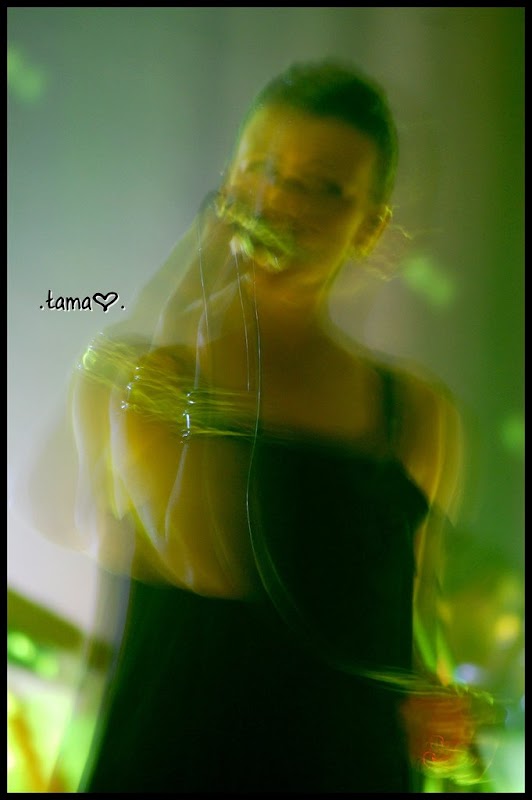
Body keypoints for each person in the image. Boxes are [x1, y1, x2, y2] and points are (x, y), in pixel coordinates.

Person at [21, 59, 497, 792]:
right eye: (263, 170)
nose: (280, 202)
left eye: (323, 188)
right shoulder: (134, 375)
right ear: (228, 183)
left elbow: (409, 617)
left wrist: (437, 704)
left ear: (369, 226)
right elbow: (202, 558)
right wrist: (202, 298)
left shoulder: (414, 413)